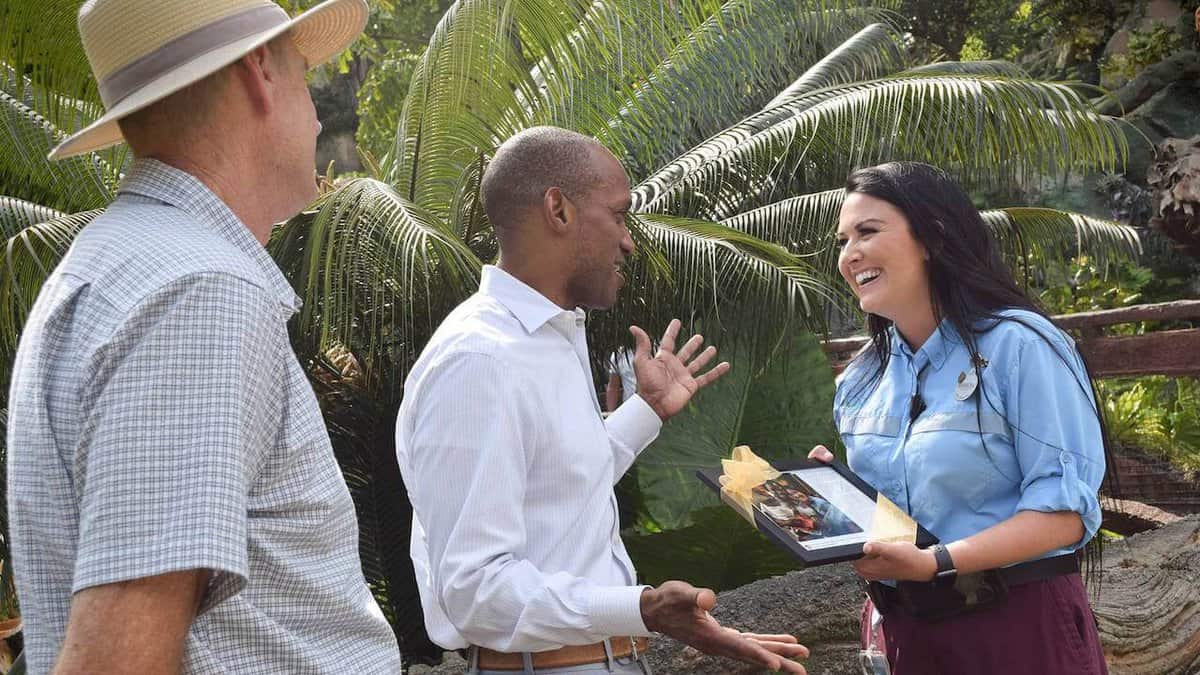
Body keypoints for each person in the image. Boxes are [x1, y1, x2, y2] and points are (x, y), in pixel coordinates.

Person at [6, 0, 402, 672]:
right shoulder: (198, 290)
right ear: (258, 71)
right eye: (303, 73)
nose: (314, 115)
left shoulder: (119, 265)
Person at [395, 126, 809, 675]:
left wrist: (647, 411)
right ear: (558, 210)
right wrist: (642, 608)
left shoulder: (545, 338)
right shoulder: (480, 361)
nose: (629, 240)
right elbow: (475, 589)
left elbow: (559, 484)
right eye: (618, 214)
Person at [808, 162, 1110, 674]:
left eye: (868, 232)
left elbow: (1066, 514)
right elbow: (896, 525)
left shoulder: (1021, 344)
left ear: (932, 237)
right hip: (908, 637)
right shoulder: (859, 381)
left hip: (1019, 629)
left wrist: (936, 563)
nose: (849, 254)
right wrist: (836, 498)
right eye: (843, 240)